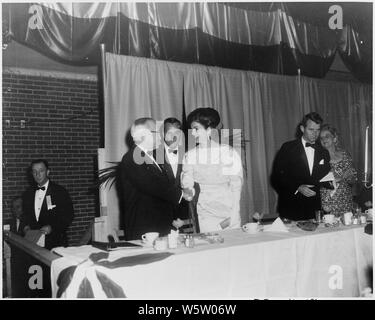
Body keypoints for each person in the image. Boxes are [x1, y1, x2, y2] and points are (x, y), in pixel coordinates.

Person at [119, 117, 194, 240]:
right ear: (145, 135)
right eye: (157, 132)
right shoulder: (132, 157)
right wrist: (182, 194)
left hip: (158, 225)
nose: (161, 137)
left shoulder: (149, 156)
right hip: (144, 227)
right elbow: (153, 185)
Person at [181, 108, 243, 232]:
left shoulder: (227, 152)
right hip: (206, 211)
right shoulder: (190, 155)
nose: (192, 133)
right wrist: (188, 191)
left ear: (209, 130)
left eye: (196, 129)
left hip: (229, 209)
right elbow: (187, 181)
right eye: (191, 129)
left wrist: (235, 213)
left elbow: (236, 186)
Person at [271, 112, 331, 221]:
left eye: (318, 130)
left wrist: (333, 181)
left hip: (314, 208)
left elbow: (324, 178)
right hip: (291, 206)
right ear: (302, 128)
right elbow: (276, 178)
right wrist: (297, 187)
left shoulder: (323, 152)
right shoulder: (288, 148)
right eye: (311, 130)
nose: (315, 134)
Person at [21, 159, 74, 250]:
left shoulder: (60, 191)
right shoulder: (27, 194)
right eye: (34, 171)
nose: (38, 174)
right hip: (33, 243)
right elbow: (25, 216)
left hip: (55, 242)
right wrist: (25, 227)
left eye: (41, 171)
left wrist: (52, 227)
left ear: (48, 172)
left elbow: (68, 216)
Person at [156, 118, 190, 228]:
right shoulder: (153, 155)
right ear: (163, 134)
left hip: (184, 213)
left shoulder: (188, 154)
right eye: (169, 132)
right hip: (160, 213)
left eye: (177, 132)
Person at [319, 125, 357, 217]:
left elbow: (353, 180)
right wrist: (342, 177)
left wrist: (350, 177)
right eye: (321, 138)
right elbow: (321, 181)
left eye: (327, 136)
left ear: (335, 138)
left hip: (346, 200)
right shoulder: (318, 157)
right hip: (329, 202)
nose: (324, 139)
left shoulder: (345, 154)